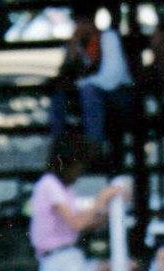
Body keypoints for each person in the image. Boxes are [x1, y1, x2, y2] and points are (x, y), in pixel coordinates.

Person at [29, 136, 128, 271]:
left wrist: (106, 214)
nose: (81, 171)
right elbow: (77, 223)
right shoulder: (49, 185)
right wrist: (101, 198)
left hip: (71, 259)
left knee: (124, 267)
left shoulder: (64, 189)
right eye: (79, 165)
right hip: (59, 265)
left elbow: (82, 222)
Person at [48, 9, 134, 161]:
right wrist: (72, 56)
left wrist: (82, 83)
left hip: (117, 96)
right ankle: (58, 148)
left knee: (89, 92)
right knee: (59, 95)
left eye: (82, 22)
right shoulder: (79, 44)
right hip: (90, 99)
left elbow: (112, 78)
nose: (79, 27)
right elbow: (66, 77)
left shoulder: (108, 38)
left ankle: (94, 147)